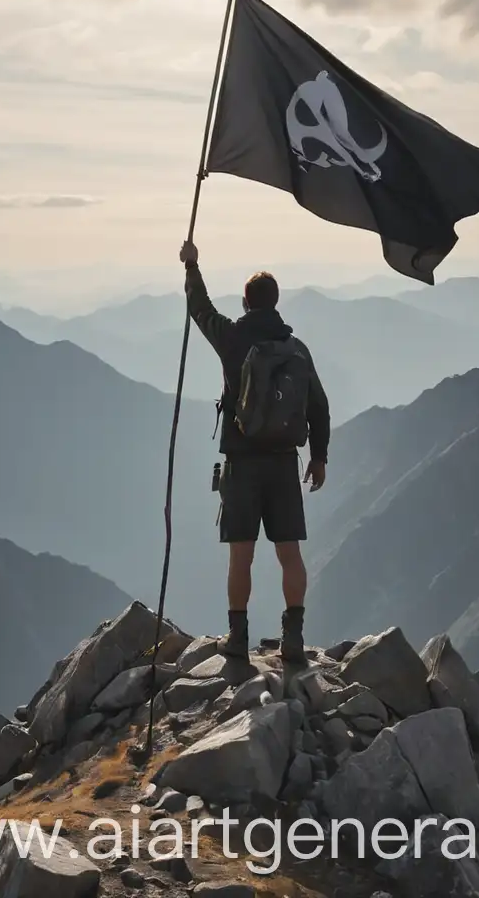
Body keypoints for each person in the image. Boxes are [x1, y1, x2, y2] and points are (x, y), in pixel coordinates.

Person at [180, 239, 330, 663]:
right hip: (284, 462)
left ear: (246, 303)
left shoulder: (232, 338)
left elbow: (200, 310)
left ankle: (237, 638)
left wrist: (192, 265)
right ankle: (294, 638)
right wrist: (319, 456)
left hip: (241, 465)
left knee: (240, 554)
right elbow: (318, 405)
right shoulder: (296, 349)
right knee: (290, 553)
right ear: (276, 302)